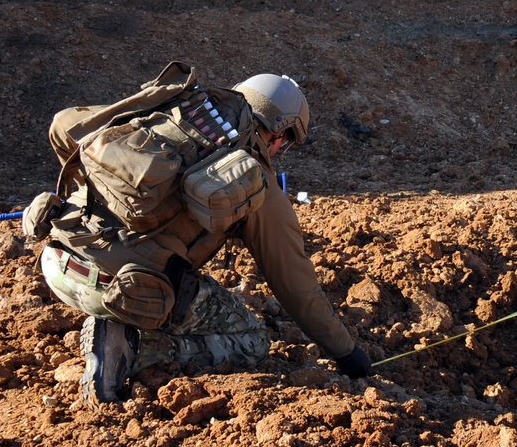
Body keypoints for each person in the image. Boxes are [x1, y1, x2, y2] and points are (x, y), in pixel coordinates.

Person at [25, 63, 372, 406]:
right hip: (121, 290)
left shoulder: (170, 111)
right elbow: (297, 288)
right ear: (279, 134)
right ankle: (133, 347)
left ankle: (120, 322)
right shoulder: (255, 181)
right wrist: (348, 355)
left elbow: (65, 125)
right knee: (252, 339)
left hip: (57, 258)